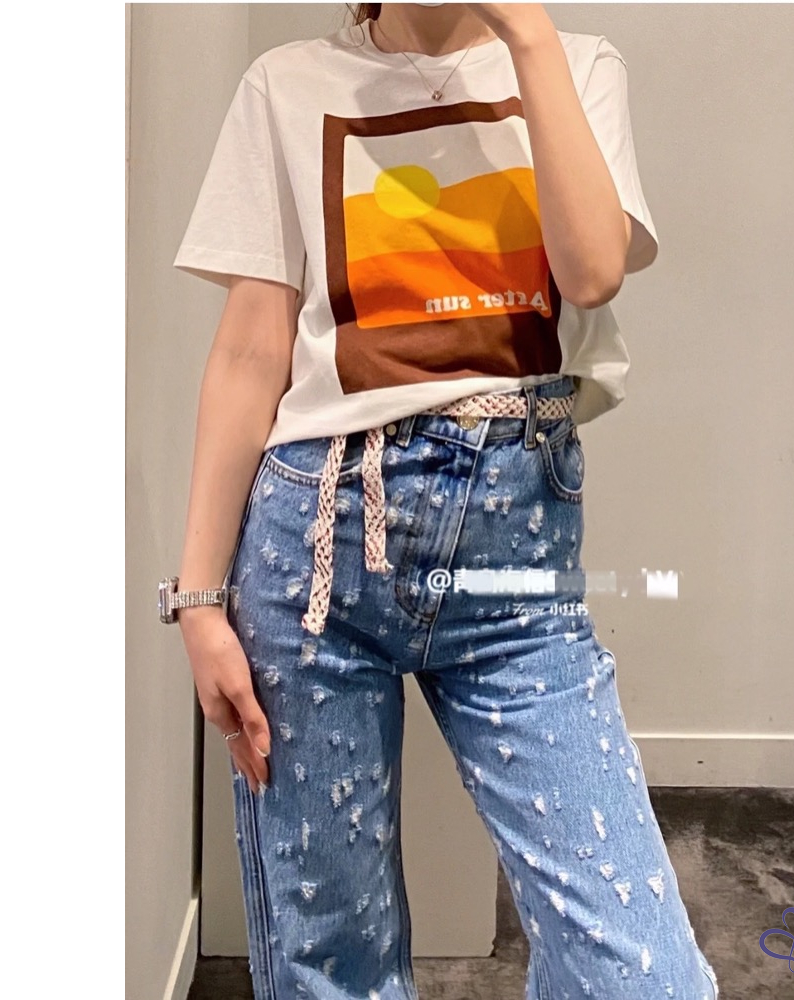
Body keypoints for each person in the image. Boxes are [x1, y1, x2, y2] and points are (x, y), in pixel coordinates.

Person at [167, 3, 720, 998]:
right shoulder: (287, 85)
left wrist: (528, 36)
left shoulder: (576, 65)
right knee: (330, 964)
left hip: (515, 570)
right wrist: (199, 601)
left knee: (641, 975)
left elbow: (593, 271)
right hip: (314, 549)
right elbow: (250, 350)